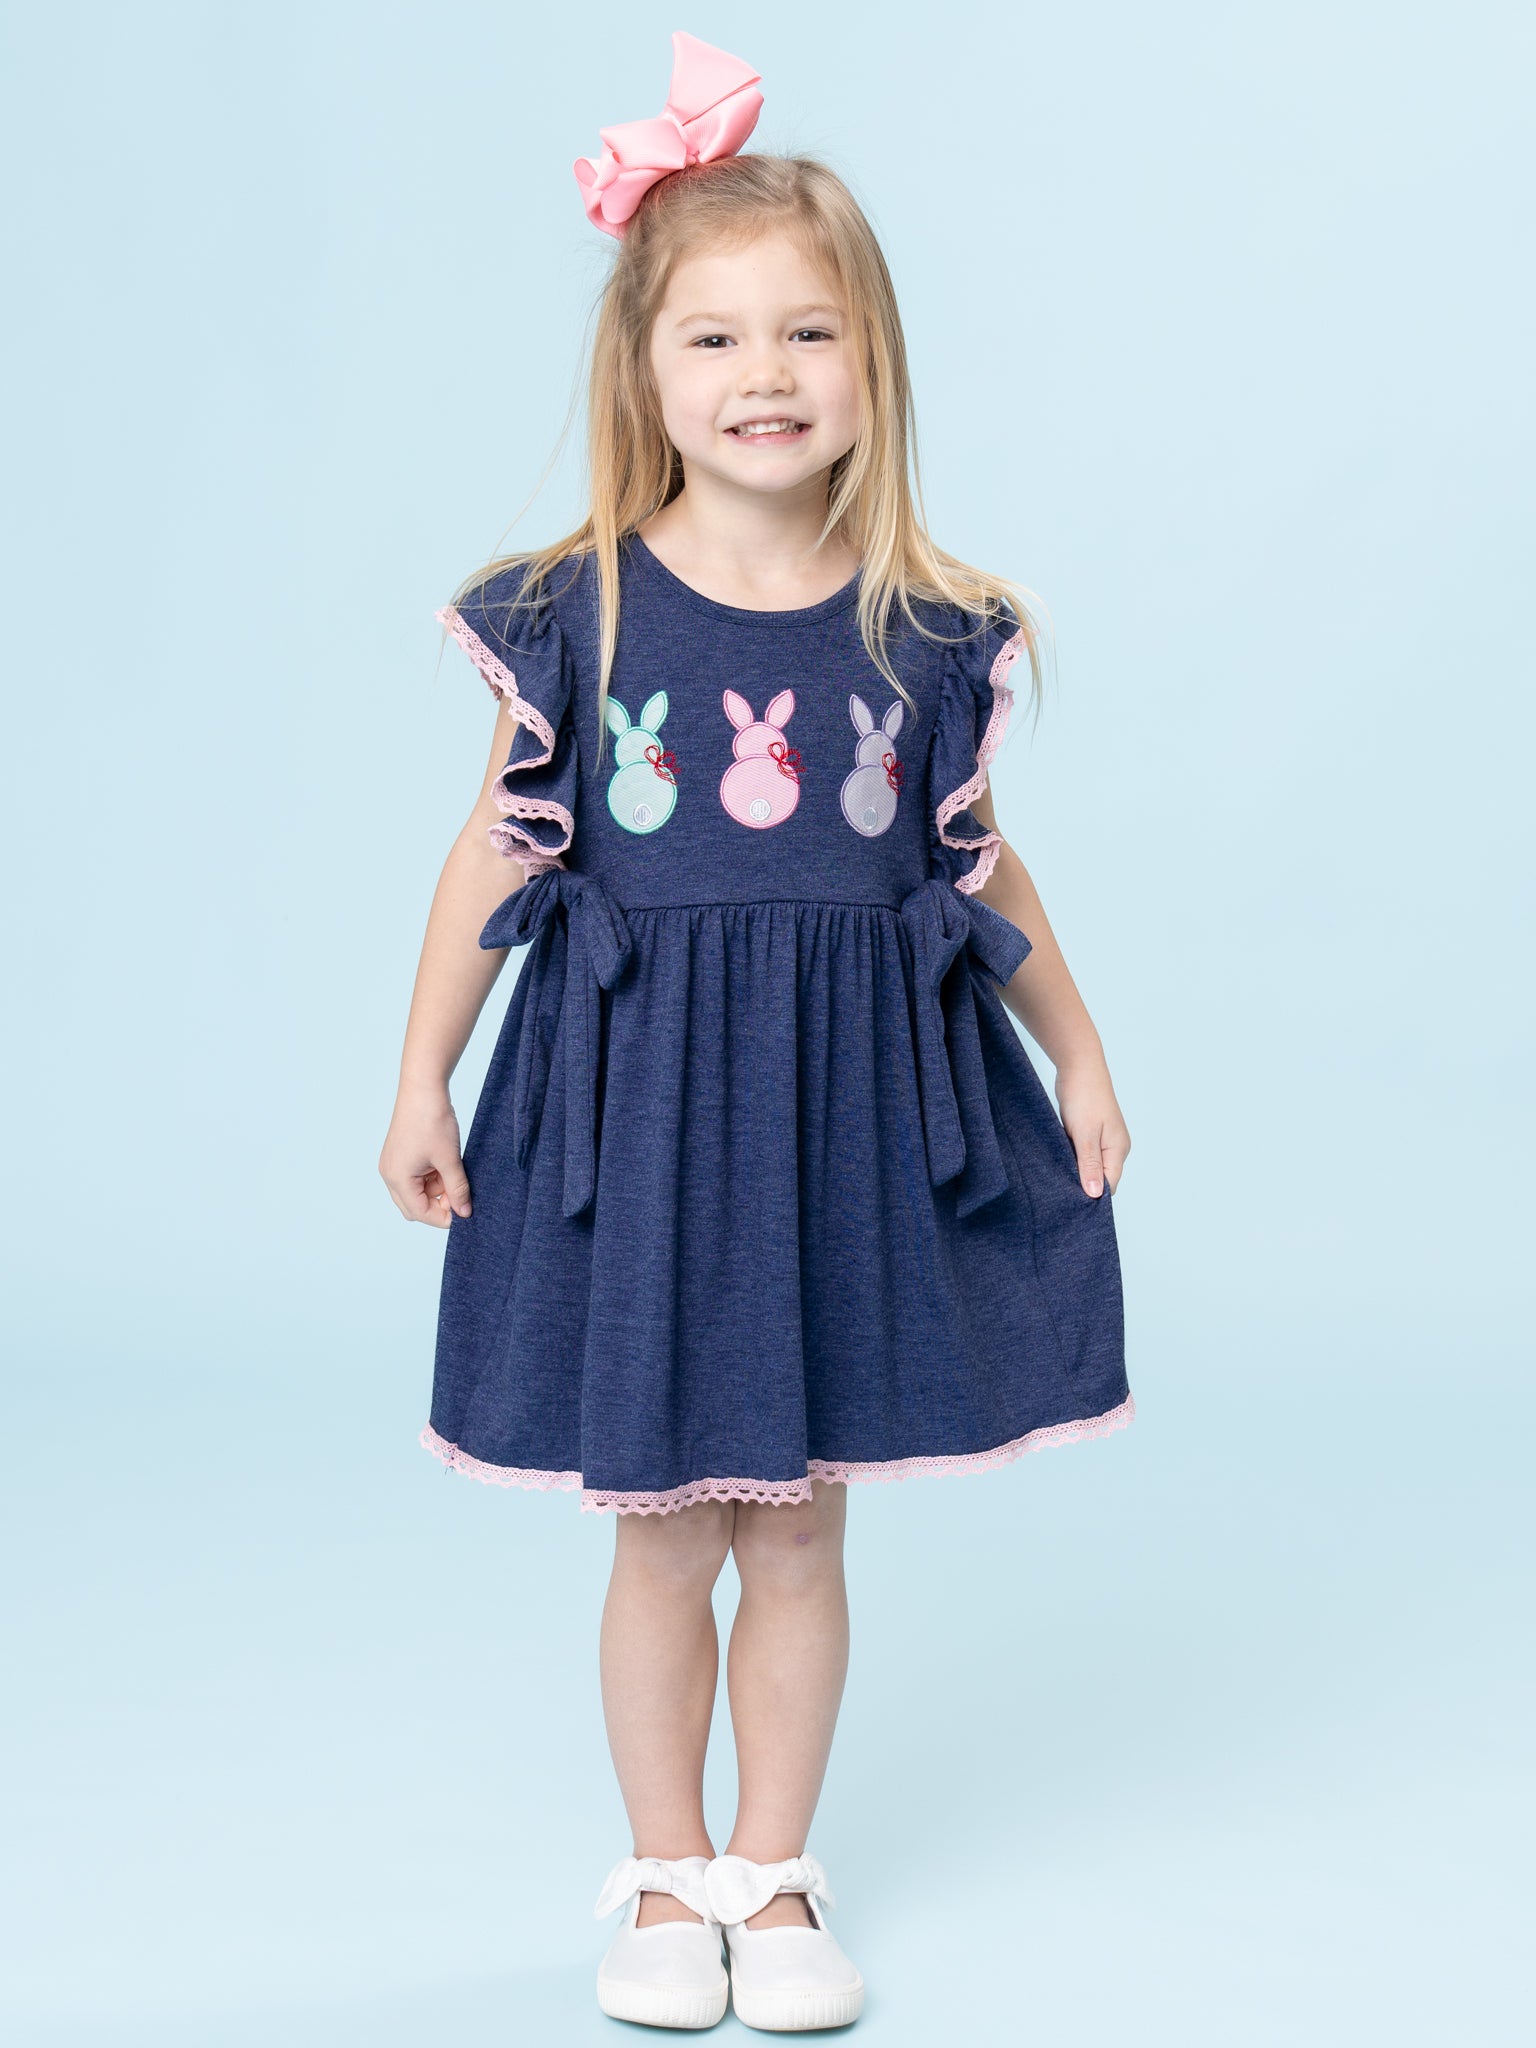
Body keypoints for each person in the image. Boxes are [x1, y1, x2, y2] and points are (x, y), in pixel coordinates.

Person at [379, 30, 1135, 2034]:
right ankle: (662, 1874)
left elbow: (978, 869)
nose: (764, 375)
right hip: (637, 1119)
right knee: (662, 1538)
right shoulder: (576, 613)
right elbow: (494, 851)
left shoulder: (925, 627)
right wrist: (420, 1075)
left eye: (809, 332)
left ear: (873, 362)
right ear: (642, 370)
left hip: (832, 1129)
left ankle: (773, 1873)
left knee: (796, 1527)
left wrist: (1078, 1050)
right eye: (712, 338)